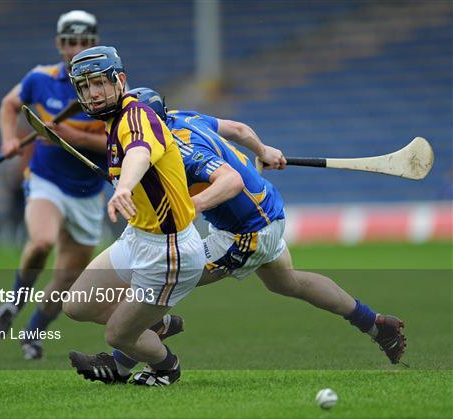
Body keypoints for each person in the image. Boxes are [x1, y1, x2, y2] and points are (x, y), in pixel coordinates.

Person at [129, 87, 407, 370]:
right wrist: (263, 151)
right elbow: (237, 128)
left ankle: (126, 356)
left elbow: (230, 181)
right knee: (287, 283)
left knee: (167, 275)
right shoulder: (180, 117)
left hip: (246, 232)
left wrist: (190, 206)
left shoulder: (179, 148)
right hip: (266, 212)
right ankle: (376, 324)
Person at [60, 46, 205, 387]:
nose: (92, 93)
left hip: (169, 252)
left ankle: (166, 367)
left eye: (98, 83)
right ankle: (154, 327)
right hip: (137, 236)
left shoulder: (136, 115)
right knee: (76, 306)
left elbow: (139, 152)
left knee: (118, 336)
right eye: (83, 87)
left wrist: (124, 186)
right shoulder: (112, 121)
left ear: (119, 80)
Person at [0, 10, 109, 360]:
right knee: (41, 241)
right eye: (70, 42)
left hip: (88, 192)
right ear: (59, 44)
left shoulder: (113, 87)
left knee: (66, 278)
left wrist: (70, 136)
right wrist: (9, 139)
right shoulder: (39, 79)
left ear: (95, 43)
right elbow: (9, 104)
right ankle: (12, 303)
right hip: (47, 180)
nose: (76, 49)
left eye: (84, 42)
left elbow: (116, 143)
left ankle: (33, 333)